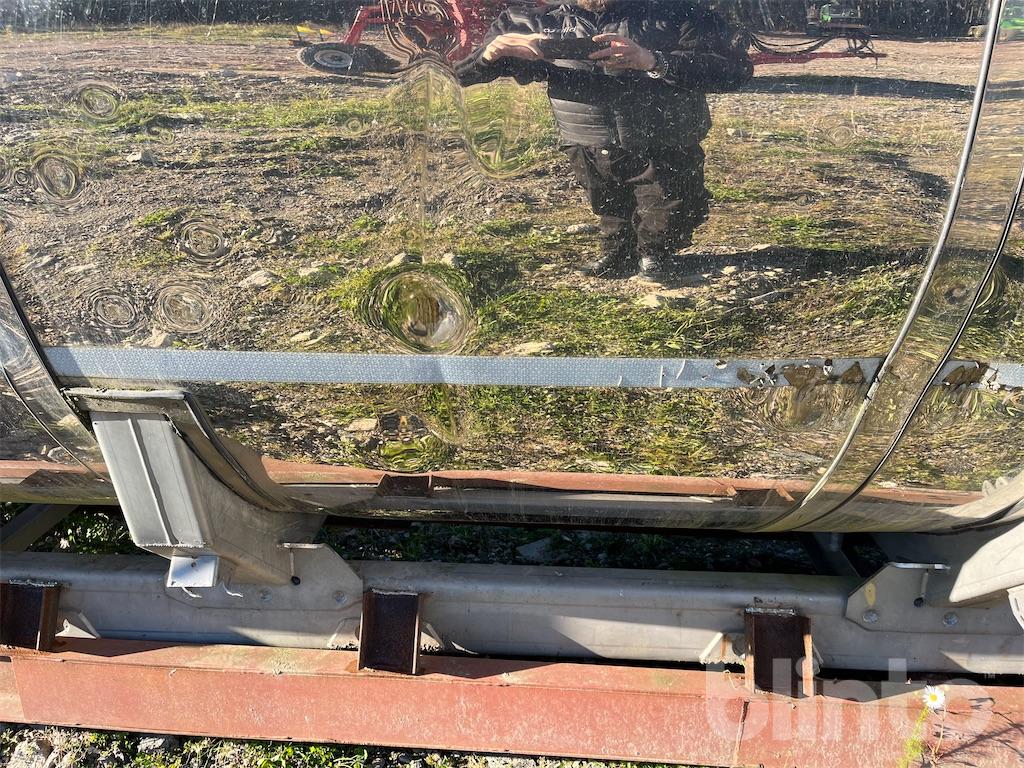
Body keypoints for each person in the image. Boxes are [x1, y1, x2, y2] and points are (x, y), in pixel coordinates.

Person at [456, 1, 751, 282]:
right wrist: (490, 55)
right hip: (586, 138)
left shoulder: (678, 12)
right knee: (607, 202)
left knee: (669, 204)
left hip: (665, 139)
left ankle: (656, 253)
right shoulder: (532, 20)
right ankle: (618, 253)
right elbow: (459, 73)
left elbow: (735, 70)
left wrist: (653, 61)